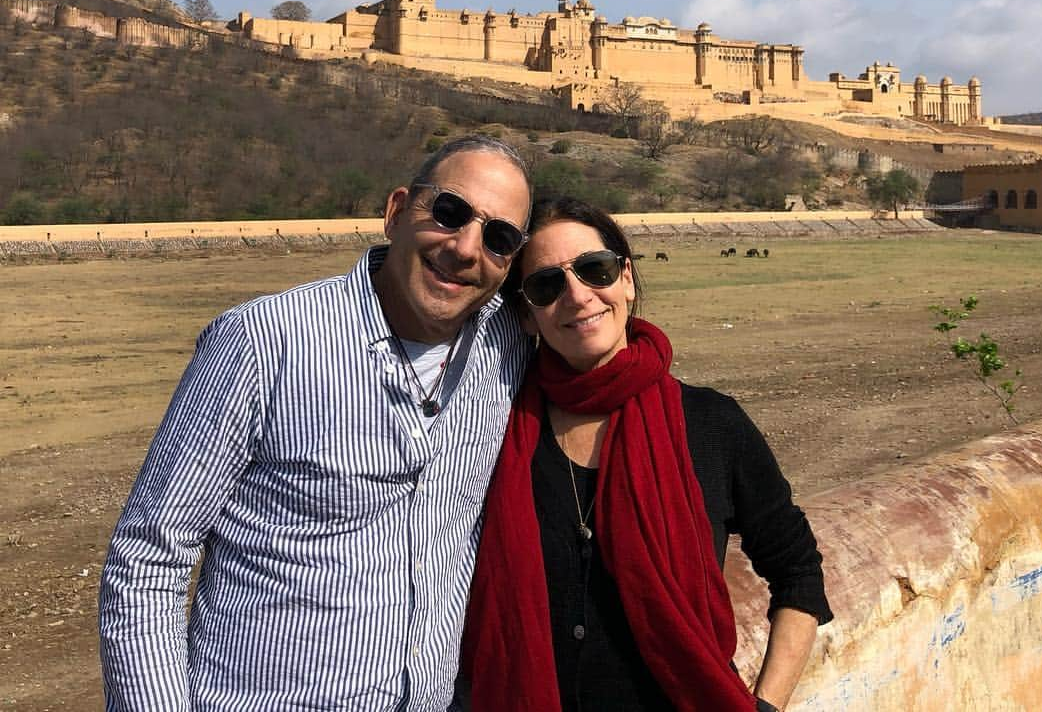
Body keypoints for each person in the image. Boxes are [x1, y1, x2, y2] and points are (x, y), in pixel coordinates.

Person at [99, 135, 533, 712]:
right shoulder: (262, 341)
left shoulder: (506, 344)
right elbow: (147, 561)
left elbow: (598, 334)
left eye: (500, 238)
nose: (465, 248)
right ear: (397, 212)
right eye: (450, 212)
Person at [461, 197, 832, 712]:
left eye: (595, 270)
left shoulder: (710, 423)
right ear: (526, 315)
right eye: (547, 285)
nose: (578, 296)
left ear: (627, 280)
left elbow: (798, 570)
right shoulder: (493, 429)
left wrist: (765, 705)